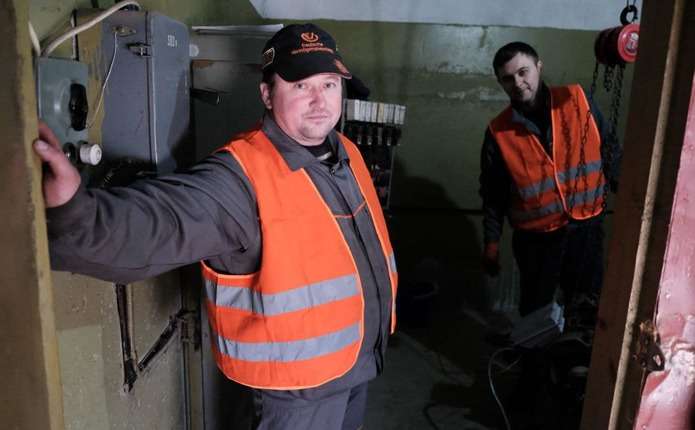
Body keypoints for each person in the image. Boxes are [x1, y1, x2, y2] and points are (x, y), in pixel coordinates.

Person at [34, 23, 397, 430]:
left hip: (357, 369)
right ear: (267, 94)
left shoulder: (346, 152)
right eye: (300, 86)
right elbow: (161, 222)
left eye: (329, 84)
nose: (320, 101)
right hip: (297, 395)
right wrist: (74, 213)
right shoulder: (241, 178)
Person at [479, 41, 620, 429]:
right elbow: (493, 195)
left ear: (539, 66)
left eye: (523, 72)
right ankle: (531, 385)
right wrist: (491, 243)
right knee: (536, 317)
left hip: (585, 229)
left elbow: (610, 150)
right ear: (501, 83)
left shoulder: (577, 101)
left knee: (585, 312)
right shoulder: (499, 131)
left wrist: (632, 202)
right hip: (536, 240)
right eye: (508, 79)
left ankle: (581, 388)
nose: (518, 83)